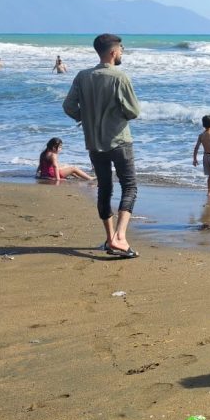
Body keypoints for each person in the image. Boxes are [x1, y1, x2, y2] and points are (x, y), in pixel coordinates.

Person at [62, 34, 141, 258]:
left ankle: (109, 238)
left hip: (94, 142)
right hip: (119, 140)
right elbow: (134, 111)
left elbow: (68, 106)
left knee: (105, 188)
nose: (122, 53)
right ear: (113, 52)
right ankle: (120, 237)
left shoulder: (83, 76)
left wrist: (84, 116)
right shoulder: (119, 77)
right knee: (130, 186)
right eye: (121, 50)